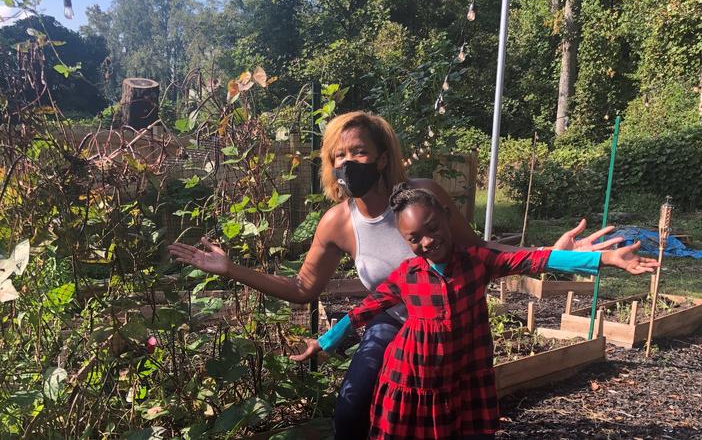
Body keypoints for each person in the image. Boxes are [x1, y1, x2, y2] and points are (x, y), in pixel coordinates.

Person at [167, 111, 623, 439]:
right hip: (392, 321)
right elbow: (303, 289)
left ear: (382, 158)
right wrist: (230, 269)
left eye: (359, 151)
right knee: (350, 409)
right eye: (339, 155)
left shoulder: (423, 196)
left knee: (457, 412)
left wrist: (552, 254)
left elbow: (478, 250)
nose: (349, 163)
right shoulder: (337, 222)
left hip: (451, 319)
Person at [290, 184, 658, 439]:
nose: (427, 242)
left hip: (462, 375)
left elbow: (531, 259)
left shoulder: (478, 262)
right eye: (414, 239)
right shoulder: (407, 275)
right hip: (413, 379)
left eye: (432, 228)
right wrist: (321, 343)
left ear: (446, 217)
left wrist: (604, 258)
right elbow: (362, 312)